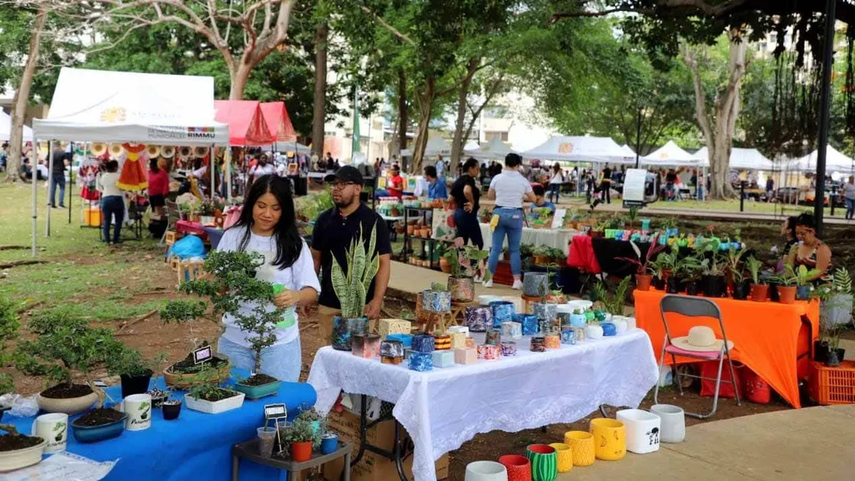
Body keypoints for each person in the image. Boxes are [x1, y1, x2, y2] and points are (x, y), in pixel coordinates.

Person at [216, 175, 320, 382]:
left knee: (278, 402)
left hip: (278, 341)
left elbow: (312, 291)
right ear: (251, 204)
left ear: (285, 210)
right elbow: (219, 283)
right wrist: (215, 284)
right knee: (233, 399)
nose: (267, 214)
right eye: (261, 206)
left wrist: (295, 295)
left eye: (275, 208)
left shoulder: (294, 244)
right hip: (235, 336)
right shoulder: (233, 237)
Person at [311, 166, 392, 343]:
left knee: (359, 356)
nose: (336, 188)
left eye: (342, 184)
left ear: (357, 189)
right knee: (330, 355)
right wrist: (309, 291)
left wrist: (377, 300)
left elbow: (383, 263)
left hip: (362, 306)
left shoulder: (373, 221)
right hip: (328, 303)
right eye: (334, 184)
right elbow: (315, 259)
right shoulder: (324, 220)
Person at [484, 153, 535, 290]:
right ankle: (517, 281)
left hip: (498, 213)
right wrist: (521, 196)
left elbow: (490, 196)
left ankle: (489, 279)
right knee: (514, 250)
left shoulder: (497, 178)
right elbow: (534, 199)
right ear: (518, 165)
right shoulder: (523, 180)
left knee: (495, 248)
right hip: (515, 215)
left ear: (505, 163)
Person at [786, 213, 831, 282]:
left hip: (820, 286)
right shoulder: (795, 246)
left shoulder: (821, 248)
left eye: (802, 234)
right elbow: (789, 268)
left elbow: (819, 271)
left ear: (812, 232)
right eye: (797, 233)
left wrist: (800, 280)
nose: (799, 236)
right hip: (797, 283)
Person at [450, 158, 484, 250]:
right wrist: (472, 202)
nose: (478, 171)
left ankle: (460, 263)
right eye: (477, 169)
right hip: (468, 215)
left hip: (459, 214)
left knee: (461, 243)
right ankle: (474, 263)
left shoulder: (458, 181)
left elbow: (450, 198)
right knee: (478, 243)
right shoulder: (469, 179)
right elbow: (467, 191)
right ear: (470, 168)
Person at [98, 160, 124, 246]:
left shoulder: (104, 176)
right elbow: (122, 188)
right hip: (117, 198)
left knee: (106, 220)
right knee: (118, 220)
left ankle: (107, 240)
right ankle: (115, 239)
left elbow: (101, 186)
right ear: (115, 167)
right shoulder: (119, 176)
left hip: (106, 198)